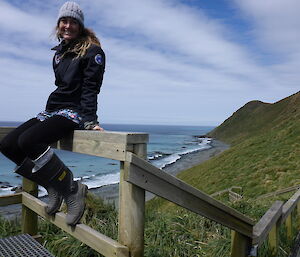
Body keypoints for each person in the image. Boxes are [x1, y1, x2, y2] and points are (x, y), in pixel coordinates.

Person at [0, 2, 105, 226]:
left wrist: (90, 121)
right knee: (8, 144)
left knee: (29, 140)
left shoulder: (93, 51)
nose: (68, 25)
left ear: (80, 25)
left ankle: (71, 189)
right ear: (58, 25)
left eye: (73, 22)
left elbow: (90, 88)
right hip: (52, 109)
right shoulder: (59, 54)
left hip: (74, 111)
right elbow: (61, 85)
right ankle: (51, 185)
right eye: (64, 21)